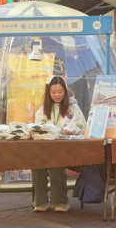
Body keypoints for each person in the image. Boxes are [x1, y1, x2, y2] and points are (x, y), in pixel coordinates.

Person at [32, 76, 86, 212]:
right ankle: (40, 202)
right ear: (49, 92)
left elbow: (81, 125)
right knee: (37, 167)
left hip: (65, 149)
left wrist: (67, 130)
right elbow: (38, 128)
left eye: (60, 91)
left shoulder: (73, 107)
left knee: (57, 167)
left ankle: (60, 202)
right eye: (54, 92)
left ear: (65, 91)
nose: (57, 95)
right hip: (45, 149)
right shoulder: (42, 109)